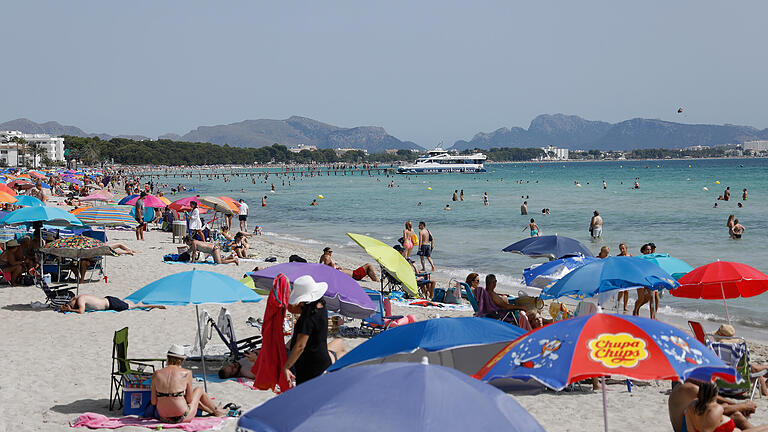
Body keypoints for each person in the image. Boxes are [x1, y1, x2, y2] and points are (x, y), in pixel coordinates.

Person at [284, 276, 347, 386]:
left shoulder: (308, 318)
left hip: (310, 366)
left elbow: (300, 346)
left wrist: (287, 366)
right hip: (321, 358)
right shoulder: (321, 304)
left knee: (306, 396)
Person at [151, 345, 227, 423]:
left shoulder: (157, 374)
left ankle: (214, 411)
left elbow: (153, 402)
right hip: (182, 416)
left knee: (179, 397)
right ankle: (216, 411)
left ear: (168, 357)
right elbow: (189, 399)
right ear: (181, 359)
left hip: (163, 417)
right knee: (199, 390)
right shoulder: (186, 373)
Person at [668, 381, 768, 432]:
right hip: (683, 428)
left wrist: (741, 406)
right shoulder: (689, 387)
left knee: (737, 415)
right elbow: (714, 407)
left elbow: (708, 402)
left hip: (692, 424)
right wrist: (743, 406)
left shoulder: (692, 402)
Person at [60, 294, 166, 313]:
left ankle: (154, 305)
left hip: (111, 304)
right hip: (108, 300)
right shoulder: (79, 297)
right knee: (128, 304)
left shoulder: (80, 300)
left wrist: (70, 310)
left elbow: (81, 311)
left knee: (134, 306)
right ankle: (139, 303)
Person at [633, 243, 656, 319]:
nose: (649, 251)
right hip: (641, 279)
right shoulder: (640, 259)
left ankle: (652, 316)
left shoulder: (652, 259)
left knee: (651, 297)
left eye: (650, 250)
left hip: (649, 279)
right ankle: (635, 310)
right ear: (643, 251)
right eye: (647, 250)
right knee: (641, 298)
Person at [617, 243, 632, 311]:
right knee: (621, 291)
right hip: (621, 275)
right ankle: (618, 303)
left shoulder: (630, 256)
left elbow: (633, 265)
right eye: (620, 249)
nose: (622, 250)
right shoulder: (618, 256)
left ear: (626, 248)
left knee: (627, 291)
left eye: (623, 248)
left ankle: (625, 307)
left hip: (628, 275)